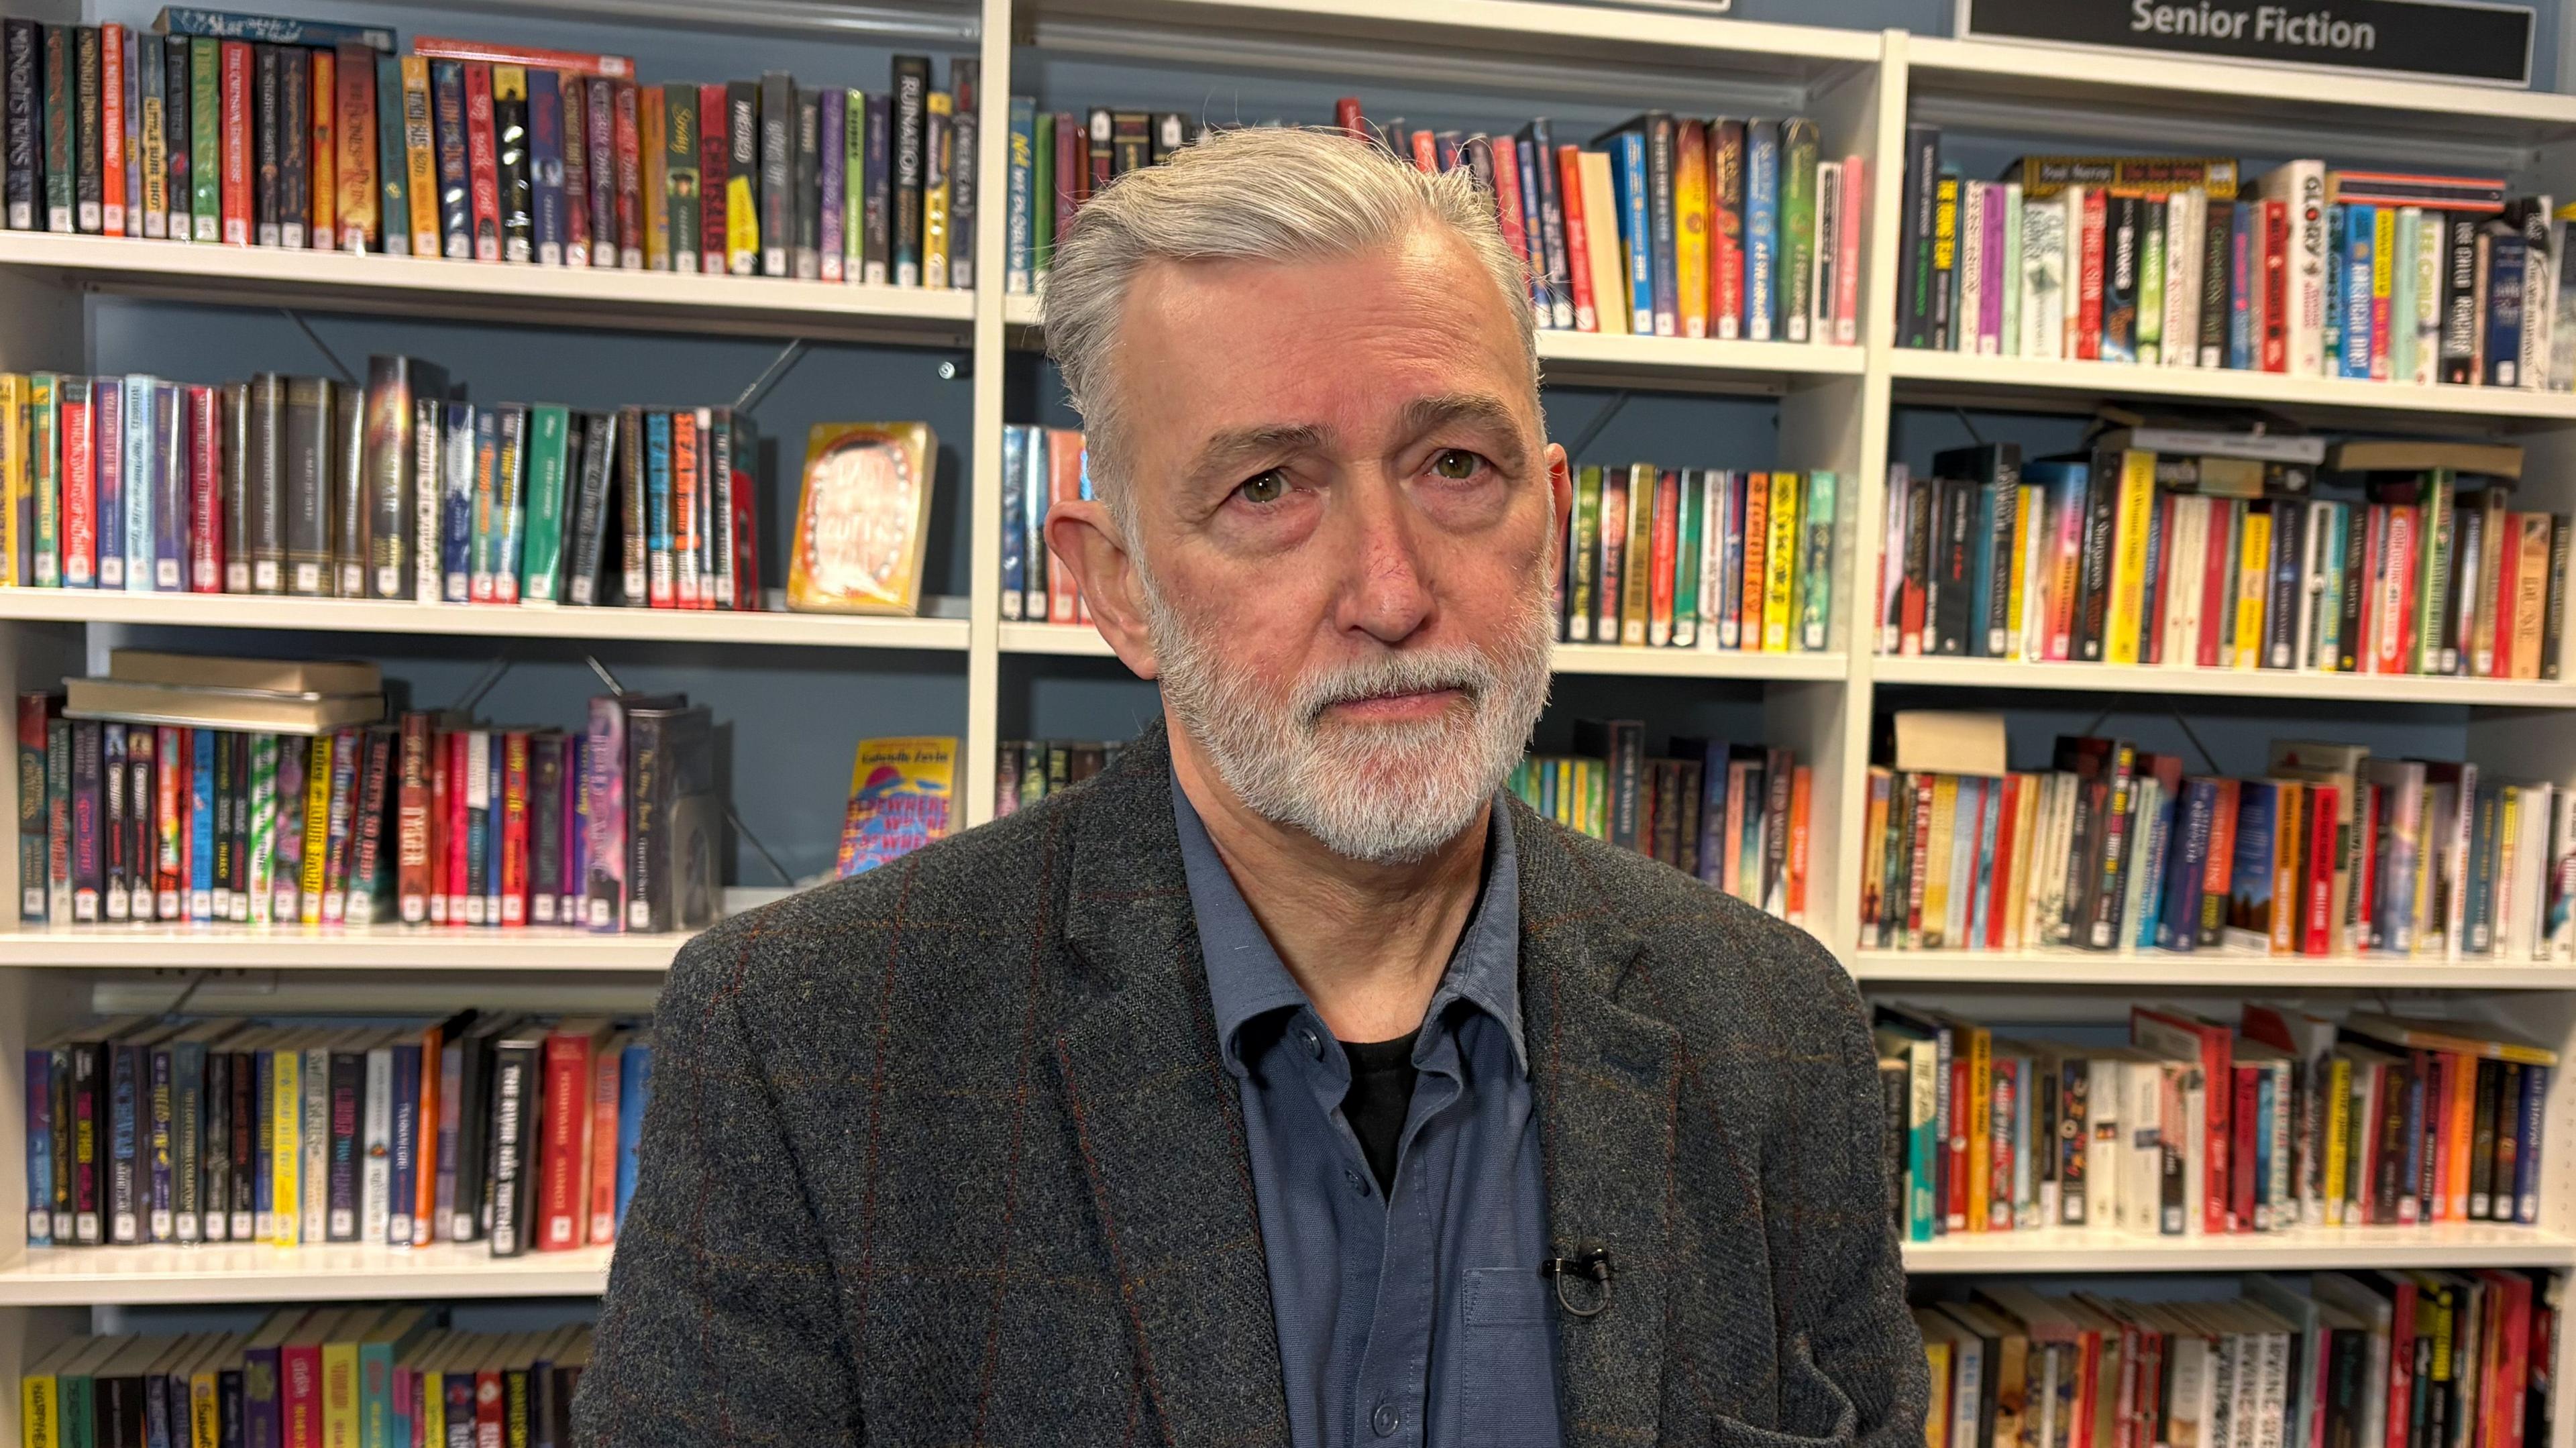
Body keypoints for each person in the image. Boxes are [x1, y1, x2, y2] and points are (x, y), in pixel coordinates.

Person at [576, 125, 1923, 1448]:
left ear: (1554, 521)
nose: (1393, 595)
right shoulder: (808, 1048)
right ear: (1119, 590)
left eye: (1457, 465)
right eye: (1269, 487)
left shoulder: (1777, 1029)